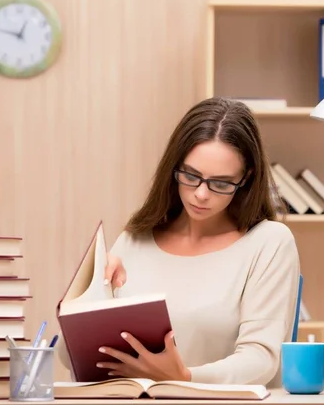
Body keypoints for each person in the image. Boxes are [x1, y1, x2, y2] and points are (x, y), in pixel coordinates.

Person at [57, 96, 301, 387]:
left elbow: (262, 360)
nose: (201, 194)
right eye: (190, 175)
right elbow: (67, 355)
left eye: (221, 183)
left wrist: (184, 378)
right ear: (174, 168)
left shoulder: (269, 243)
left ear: (246, 178)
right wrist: (88, 293)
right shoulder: (133, 240)